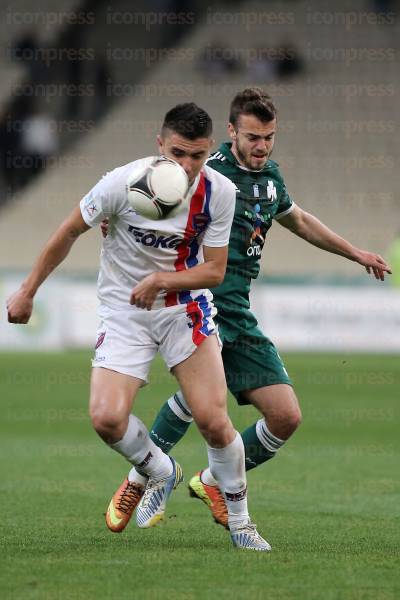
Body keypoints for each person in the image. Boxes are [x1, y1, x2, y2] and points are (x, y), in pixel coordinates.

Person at [103, 88, 391, 531]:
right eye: (253, 137)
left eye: (269, 137)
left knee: (285, 416)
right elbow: (151, 196)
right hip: (201, 299)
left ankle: (213, 480)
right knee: (201, 403)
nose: (261, 146)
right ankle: (141, 478)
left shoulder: (271, 178)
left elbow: (299, 219)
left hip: (239, 308)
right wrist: (114, 217)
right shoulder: (206, 170)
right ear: (233, 131)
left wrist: (356, 252)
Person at [6, 102, 271, 551]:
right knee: (106, 418)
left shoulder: (220, 191)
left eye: (199, 156)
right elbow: (69, 230)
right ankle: (161, 470)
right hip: (125, 311)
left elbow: (214, 271)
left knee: (212, 419)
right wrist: (28, 290)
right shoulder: (120, 182)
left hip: (183, 308)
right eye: (179, 153)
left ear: (210, 152)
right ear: (159, 144)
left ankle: (243, 524)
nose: (188, 166)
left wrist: (163, 280)